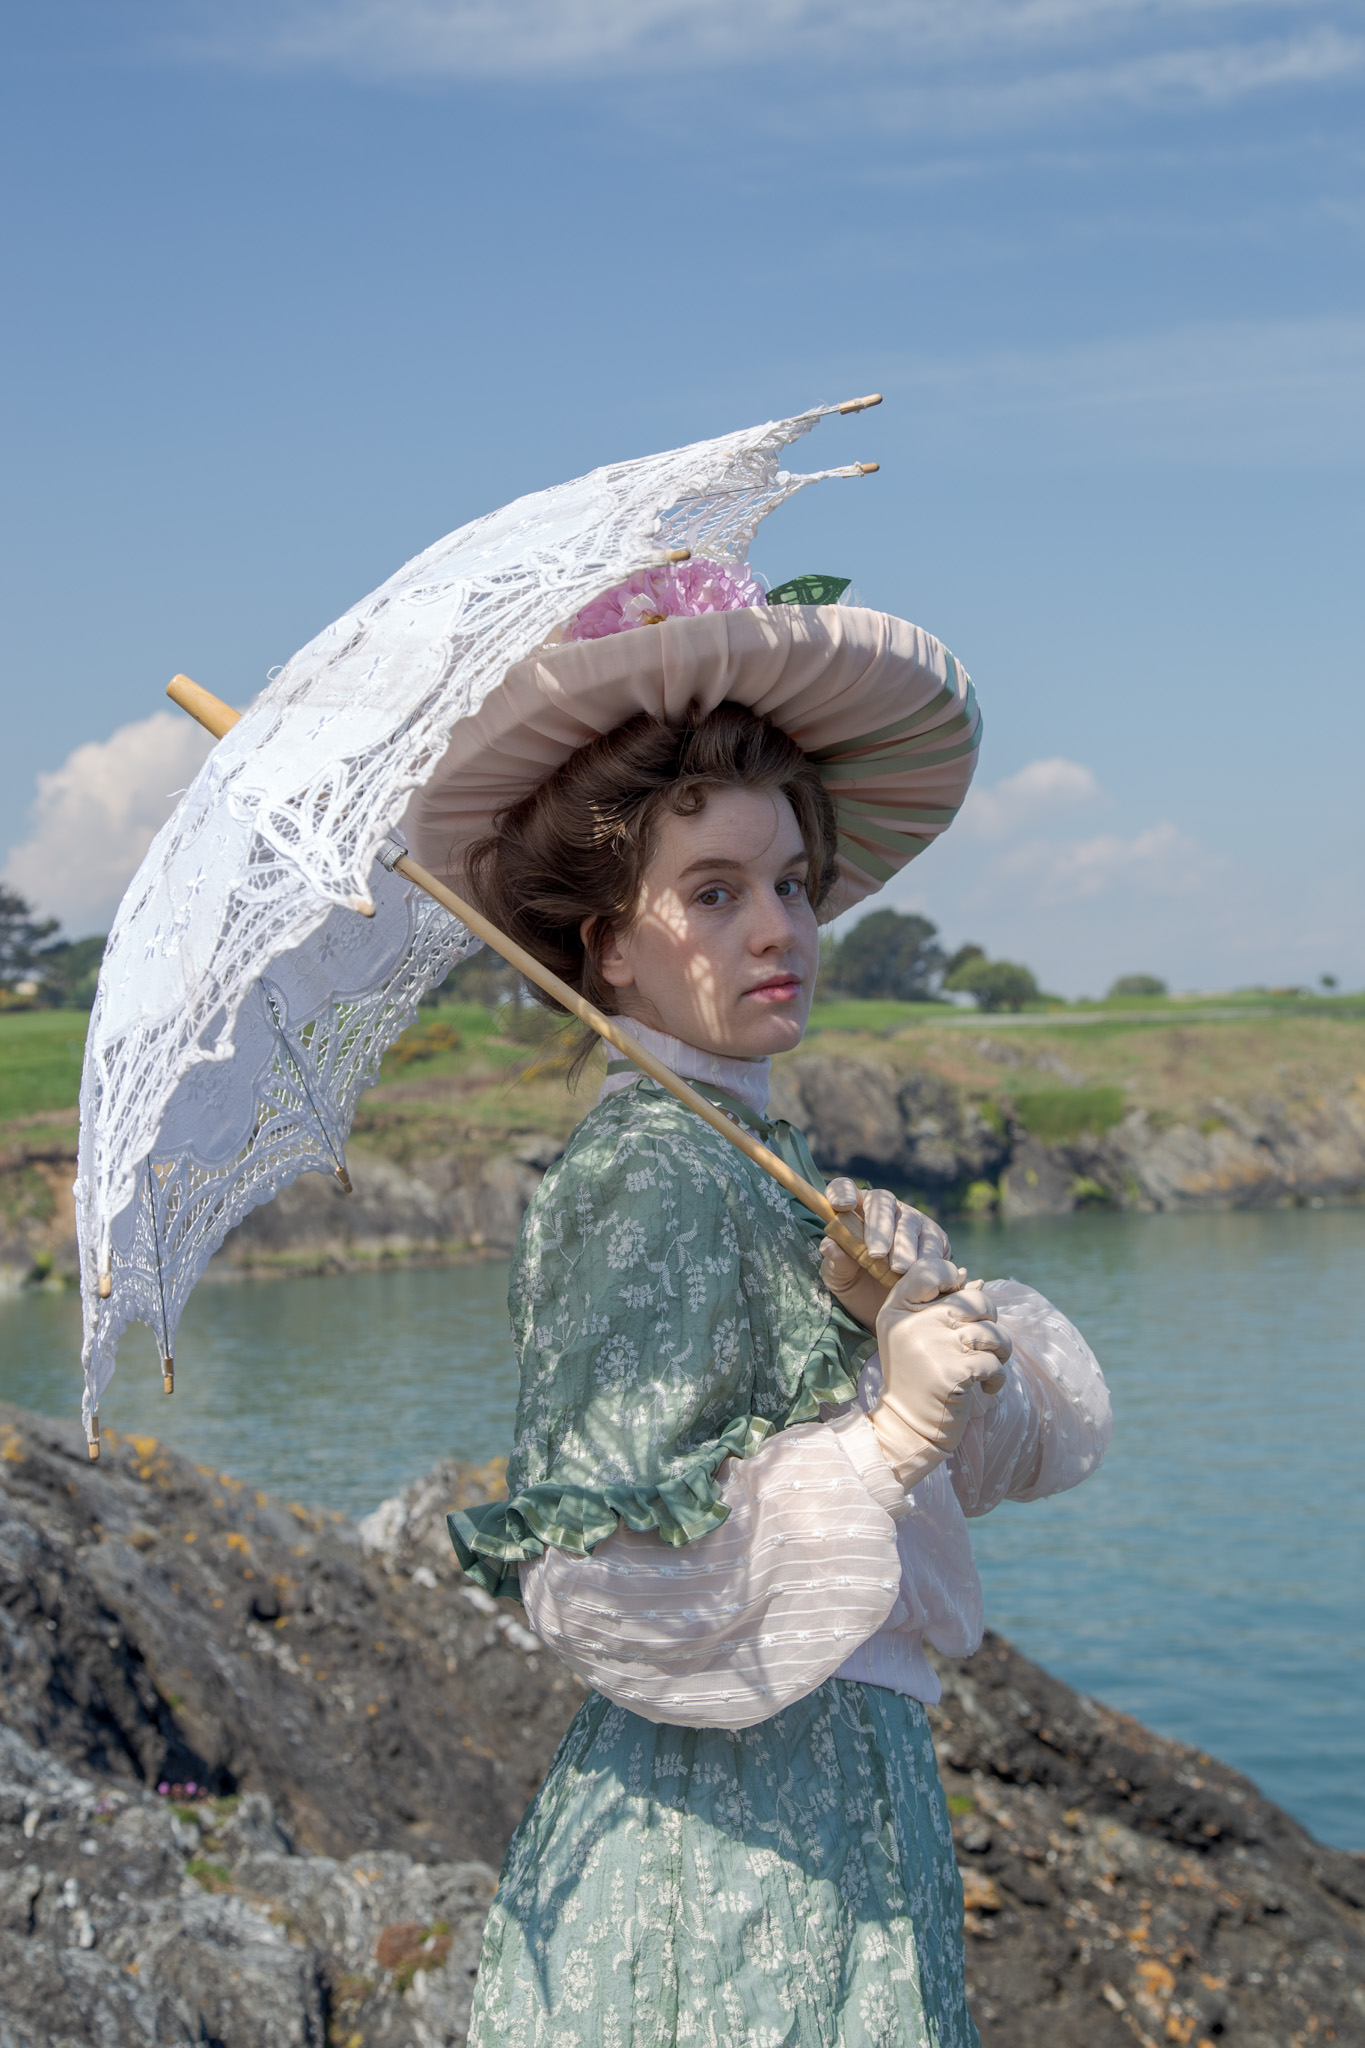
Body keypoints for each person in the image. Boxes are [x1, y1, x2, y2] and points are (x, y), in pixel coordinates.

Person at [415, 564, 1112, 2047]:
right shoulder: (638, 1180)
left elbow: (1009, 1453)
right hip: (728, 1847)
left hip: (842, 1794)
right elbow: (601, 1569)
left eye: (790, 880)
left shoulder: (763, 1162)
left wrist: (906, 1323)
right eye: (712, 894)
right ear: (606, 946)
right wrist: (885, 1434)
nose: (777, 928)